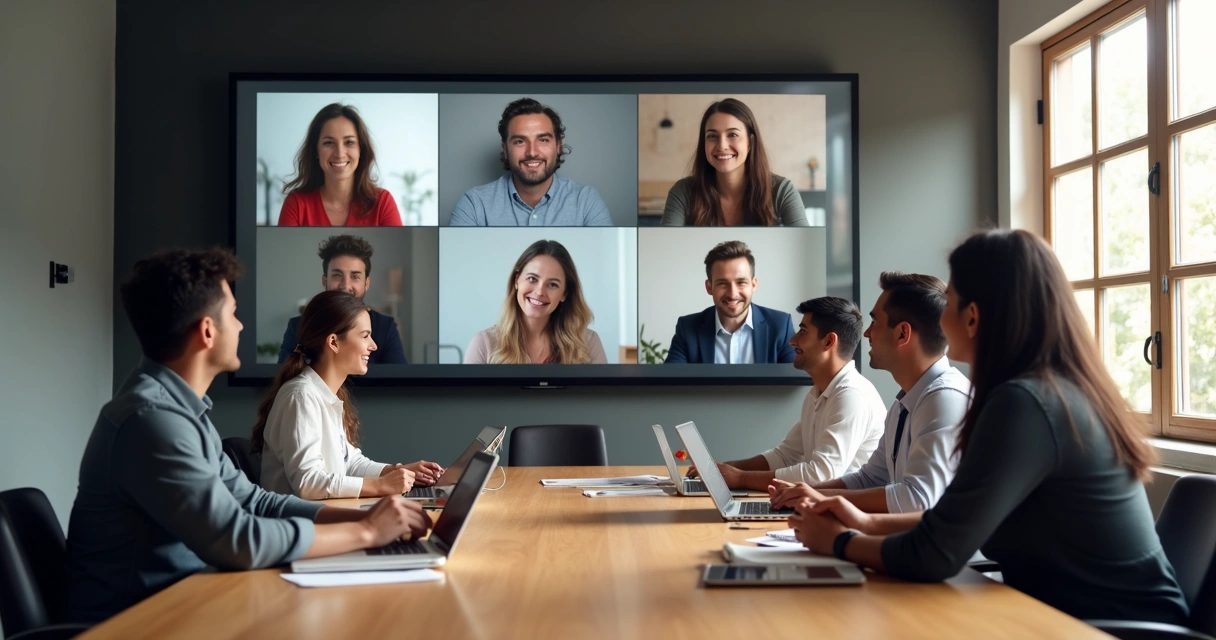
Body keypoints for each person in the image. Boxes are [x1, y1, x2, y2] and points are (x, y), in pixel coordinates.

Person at [790, 230, 1189, 625]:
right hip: (1062, 618)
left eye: (950, 301)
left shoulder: (1026, 404)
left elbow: (935, 554)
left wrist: (840, 542)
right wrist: (862, 521)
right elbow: (954, 520)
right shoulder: (1045, 392)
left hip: (1107, 629)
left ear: (973, 316)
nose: (940, 317)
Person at [66, 248, 430, 624]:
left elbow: (256, 502)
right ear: (207, 332)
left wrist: (356, 521)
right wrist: (368, 532)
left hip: (184, 601)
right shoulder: (151, 420)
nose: (240, 326)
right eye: (233, 315)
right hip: (138, 623)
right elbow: (239, 540)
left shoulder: (183, 412)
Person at [769, 272, 970, 514]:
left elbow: (916, 499)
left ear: (902, 334)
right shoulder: (904, 403)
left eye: (875, 322)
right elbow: (870, 478)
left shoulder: (945, 398)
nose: (866, 333)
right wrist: (809, 494)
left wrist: (820, 500)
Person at [258, 290, 442, 499]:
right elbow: (308, 483)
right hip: (301, 526)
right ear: (334, 342)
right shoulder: (301, 397)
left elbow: (351, 462)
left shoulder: (327, 394)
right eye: (365, 336)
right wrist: (381, 486)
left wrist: (396, 472)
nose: (373, 345)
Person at [691, 297, 886, 490]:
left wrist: (740, 478)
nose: (792, 340)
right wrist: (726, 470)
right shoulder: (819, 393)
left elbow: (820, 474)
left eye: (803, 332)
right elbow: (785, 456)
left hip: (850, 516)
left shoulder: (851, 396)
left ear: (828, 341)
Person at [449, 98, 612, 226]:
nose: (532, 152)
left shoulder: (586, 200)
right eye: (520, 141)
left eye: (543, 140)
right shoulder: (474, 204)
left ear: (558, 146)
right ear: (505, 150)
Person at [660, 98, 808, 227]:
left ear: (750, 142)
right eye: (712, 136)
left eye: (732, 135)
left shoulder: (782, 190)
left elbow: (806, 250)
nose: (722, 145)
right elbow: (665, 249)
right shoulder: (683, 191)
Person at [466, 239, 608, 364]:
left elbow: (600, 394)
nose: (540, 291)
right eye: (532, 279)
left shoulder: (588, 343)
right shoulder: (483, 344)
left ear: (564, 293)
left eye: (552, 284)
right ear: (517, 281)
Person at [277, 234, 406, 364]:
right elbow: (286, 377)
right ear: (324, 280)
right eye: (337, 275)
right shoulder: (298, 327)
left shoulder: (386, 327)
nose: (345, 285)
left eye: (355, 276)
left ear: (366, 283)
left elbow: (399, 382)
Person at [664, 240, 795, 364]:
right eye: (722, 283)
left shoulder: (781, 326)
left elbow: (795, 382)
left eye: (741, 282)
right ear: (709, 287)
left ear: (753, 285)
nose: (733, 294)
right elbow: (671, 384)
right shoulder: (687, 329)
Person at [277, 103, 403, 226]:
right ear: (316, 150)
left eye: (349, 142)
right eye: (328, 143)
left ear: (361, 150)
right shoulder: (296, 204)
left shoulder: (382, 203)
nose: (339, 154)